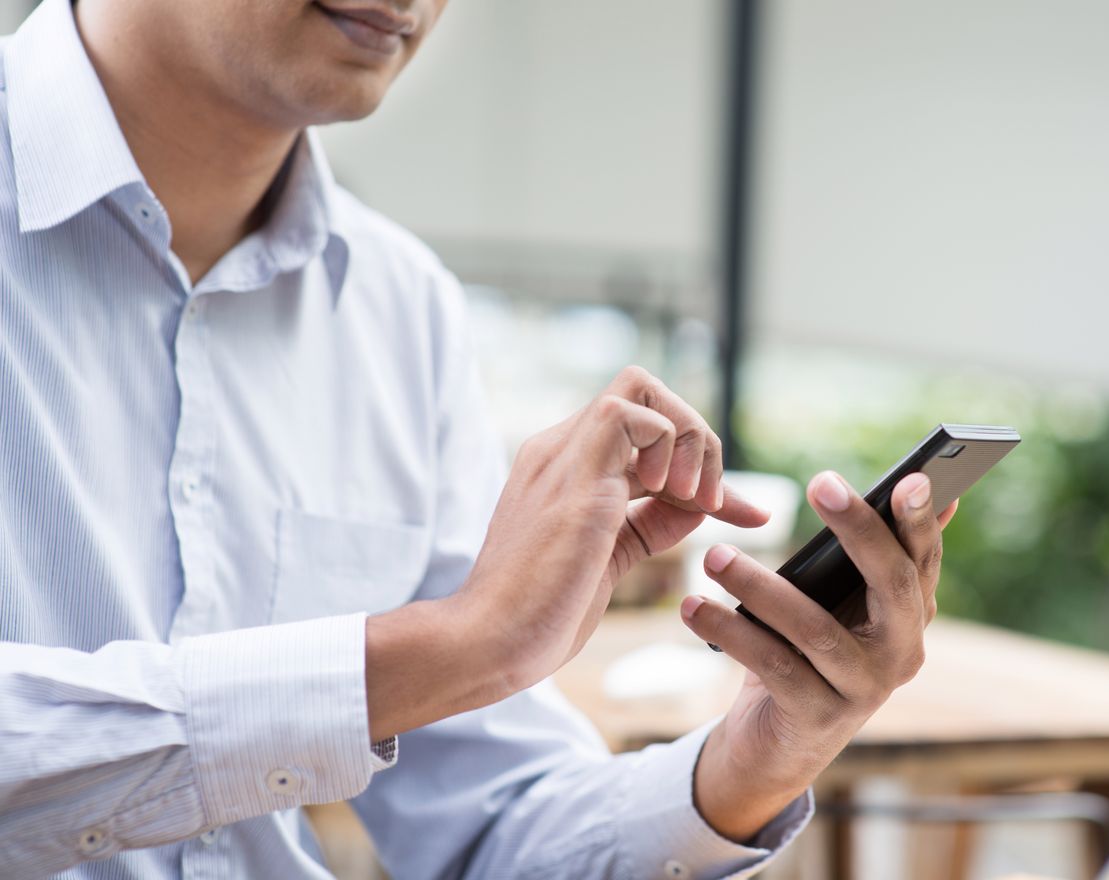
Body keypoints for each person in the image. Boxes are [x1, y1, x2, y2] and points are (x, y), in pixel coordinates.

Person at [0, 0, 954, 877]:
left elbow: (488, 824)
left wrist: (755, 759)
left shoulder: (398, 306)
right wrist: (449, 648)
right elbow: (458, 658)